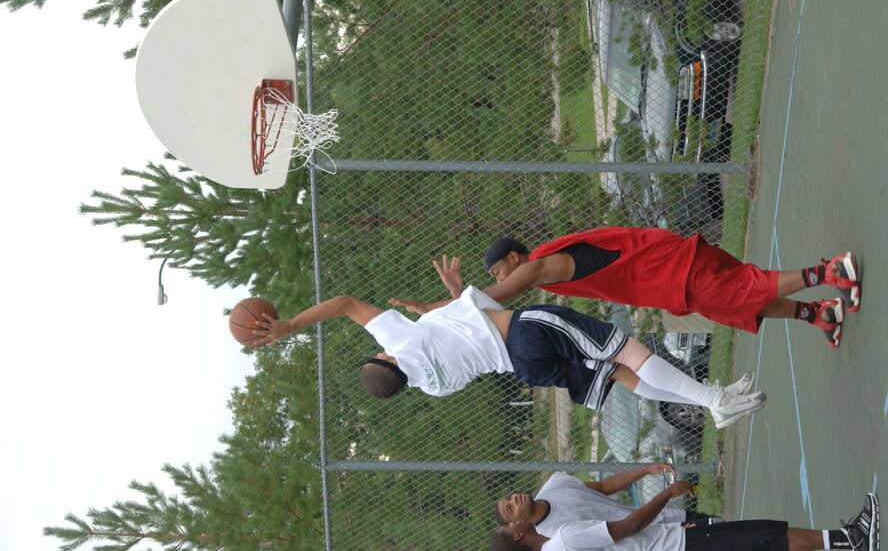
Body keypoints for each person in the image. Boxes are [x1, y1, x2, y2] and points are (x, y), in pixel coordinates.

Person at [251, 285, 765, 429]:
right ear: (387, 360)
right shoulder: (403, 342)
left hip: (524, 368)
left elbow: (456, 334)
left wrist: (443, 302)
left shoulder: (432, 385)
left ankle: (707, 404)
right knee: (627, 349)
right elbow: (344, 304)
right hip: (524, 333)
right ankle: (713, 398)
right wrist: (289, 326)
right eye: (380, 351)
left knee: (621, 374)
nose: (382, 345)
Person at [405, 228, 861, 349]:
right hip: (670, 276)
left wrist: (438, 306)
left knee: (743, 290)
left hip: (671, 270)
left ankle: (831, 272)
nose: (501, 280)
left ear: (512, 259)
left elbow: (491, 300)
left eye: (500, 272)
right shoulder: (552, 265)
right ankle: (820, 313)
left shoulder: (539, 264)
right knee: (740, 308)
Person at [489, 483, 879, 551]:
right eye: (510, 522)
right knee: (765, 537)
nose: (515, 519)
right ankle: (851, 541)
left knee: (763, 539)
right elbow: (628, 527)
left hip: (675, 540)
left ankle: (843, 540)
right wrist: (667, 494)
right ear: (519, 536)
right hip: (678, 545)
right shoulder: (564, 540)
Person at [494, 468, 721, 538]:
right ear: (519, 521)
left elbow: (603, 487)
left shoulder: (555, 483)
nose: (514, 499)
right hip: (662, 541)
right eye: (510, 508)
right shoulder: (554, 536)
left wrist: (646, 469)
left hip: (669, 518)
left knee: (729, 529)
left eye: (509, 497)